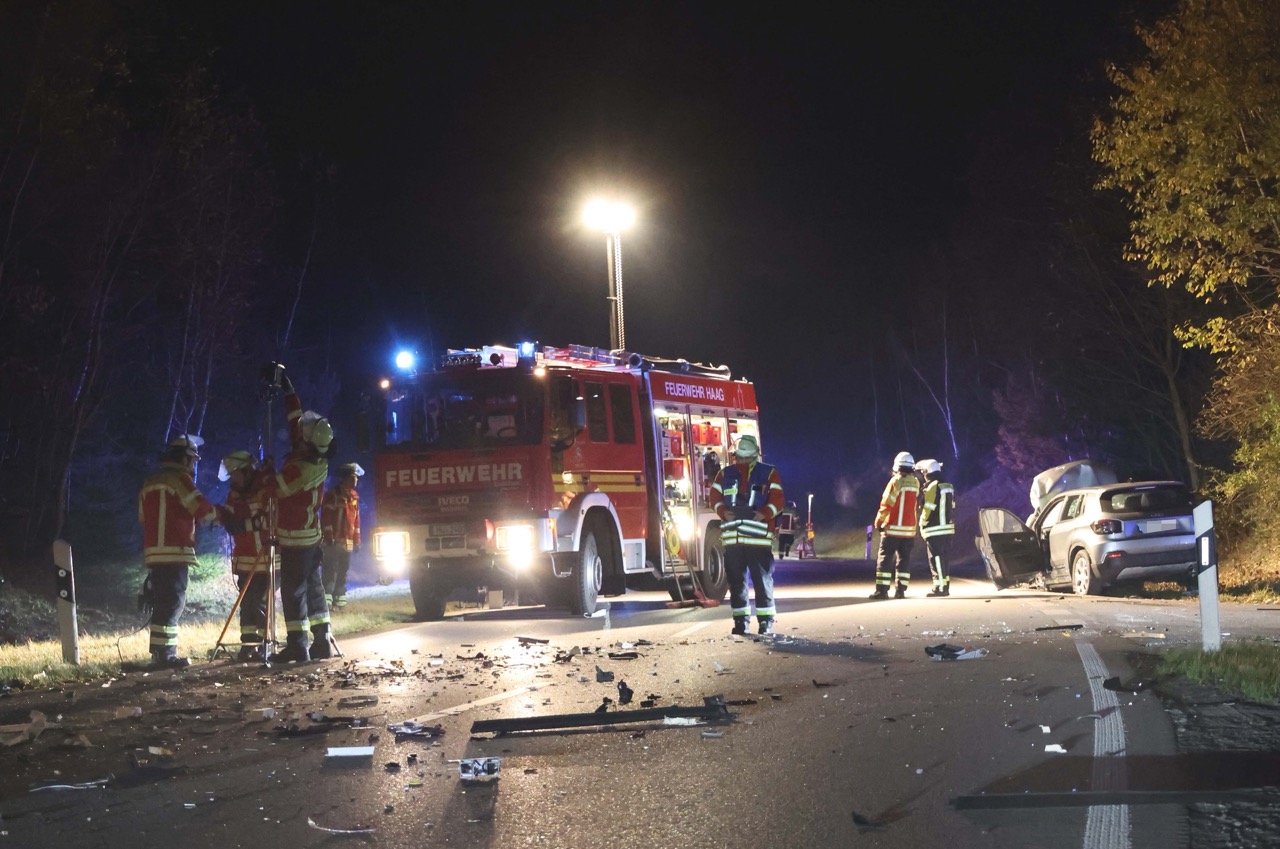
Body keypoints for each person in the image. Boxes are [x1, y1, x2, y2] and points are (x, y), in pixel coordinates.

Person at [264, 370, 334, 663]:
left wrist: (266, 473)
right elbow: (296, 420)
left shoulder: (301, 468)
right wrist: (288, 389)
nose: (298, 431)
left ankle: (297, 645)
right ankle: (322, 640)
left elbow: (275, 490)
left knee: (293, 592)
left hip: (296, 539)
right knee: (314, 588)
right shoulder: (312, 456)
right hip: (310, 538)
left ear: (308, 440)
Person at [138, 434, 222, 669]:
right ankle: (166, 655)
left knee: (162, 602)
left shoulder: (150, 482)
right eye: (192, 460)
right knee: (173, 602)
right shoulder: (180, 479)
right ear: (184, 459)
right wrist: (219, 515)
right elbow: (200, 507)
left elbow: (142, 517)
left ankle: (159, 653)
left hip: (154, 552)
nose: (193, 465)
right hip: (175, 550)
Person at [710, 434, 785, 636]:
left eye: (746, 458)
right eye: (739, 458)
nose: (742, 462)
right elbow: (714, 498)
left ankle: (765, 622)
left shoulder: (768, 473)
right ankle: (741, 622)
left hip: (758, 540)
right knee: (736, 583)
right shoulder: (725, 474)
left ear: (755, 456)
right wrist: (723, 512)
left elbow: (778, 500)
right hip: (733, 541)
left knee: (762, 581)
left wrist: (764, 514)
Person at [220, 449, 276, 660]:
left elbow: (270, 520)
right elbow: (228, 516)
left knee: (260, 602)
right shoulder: (234, 494)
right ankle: (248, 645)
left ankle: (264, 644)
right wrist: (222, 517)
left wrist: (242, 525)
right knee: (246, 603)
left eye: (235, 474)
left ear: (247, 471)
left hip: (266, 558)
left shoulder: (265, 489)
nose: (233, 479)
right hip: (245, 558)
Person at [870, 451, 920, 599]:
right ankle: (901, 591)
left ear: (897, 466)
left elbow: (887, 503)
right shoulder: (916, 482)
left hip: (892, 529)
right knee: (904, 560)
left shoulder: (896, 481)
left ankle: (882, 591)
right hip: (909, 531)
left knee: (885, 559)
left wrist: (879, 521)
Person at [322, 462, 364, 609]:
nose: (356, 480)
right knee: (330, 569)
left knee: (343, 570)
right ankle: (327, 598)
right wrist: (329, 537)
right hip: (333, 542)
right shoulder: (333, 495)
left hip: (347, 542)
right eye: (353, 477)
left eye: (357, 477)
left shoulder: (354, 497)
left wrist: (357, 541)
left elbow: (356, 521)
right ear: (346, 478)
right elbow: (326, 518)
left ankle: (339, 598)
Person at [915, 458, 956, 597]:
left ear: (928, 471)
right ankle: (945, 585)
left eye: (923, 472)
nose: (923, 475)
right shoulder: (948, 485)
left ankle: (940, 587)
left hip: (935, 528)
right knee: (944, 558)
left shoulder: (933, 485)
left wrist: (922, 523)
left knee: (936, 558)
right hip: (947, 527)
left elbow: (928, 507)